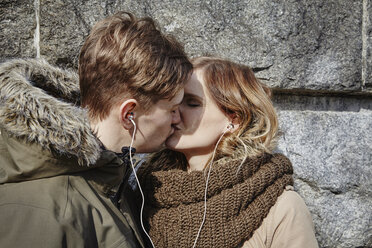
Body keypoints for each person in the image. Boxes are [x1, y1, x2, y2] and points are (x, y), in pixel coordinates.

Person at [0, 12, 192, 247]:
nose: (177, 118)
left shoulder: (111, 179)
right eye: (172, 108)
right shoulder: (48, 214)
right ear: (128, 114)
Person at [138, 56, 319, 248]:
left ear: (234, 119)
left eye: (192, 103)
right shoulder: (144, 190)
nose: (174, 112)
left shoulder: (282, 207)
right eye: (174, 100)